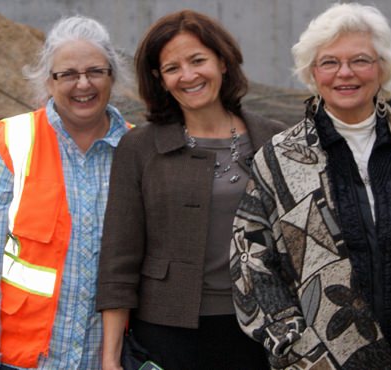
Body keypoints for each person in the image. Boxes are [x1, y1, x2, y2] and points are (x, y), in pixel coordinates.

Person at [230, 3, 391, 369]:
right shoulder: (278, 159)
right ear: (312, 73)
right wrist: (289, 335)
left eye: (361, 60)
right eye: (329, 62)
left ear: (383, 68)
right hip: (320, 358)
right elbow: (251, 255)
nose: (345, 73)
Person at [95, 9, 286, 370]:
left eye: (198, 60)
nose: (188, 76)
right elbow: (119, 260)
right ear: (160, 79)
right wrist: (110, 358)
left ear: (223, 62)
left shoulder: (274, 139)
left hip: (262, 328)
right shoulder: (138, 148)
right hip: (168, 333)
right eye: (172, 68)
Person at [0, 15, 132, 369]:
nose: (83, 84)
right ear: (48, 82)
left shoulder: (137, 149)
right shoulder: (11, 145)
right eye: (67, 74)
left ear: (112, 75)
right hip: (23, 361)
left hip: (108, 359)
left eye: (95, 71)